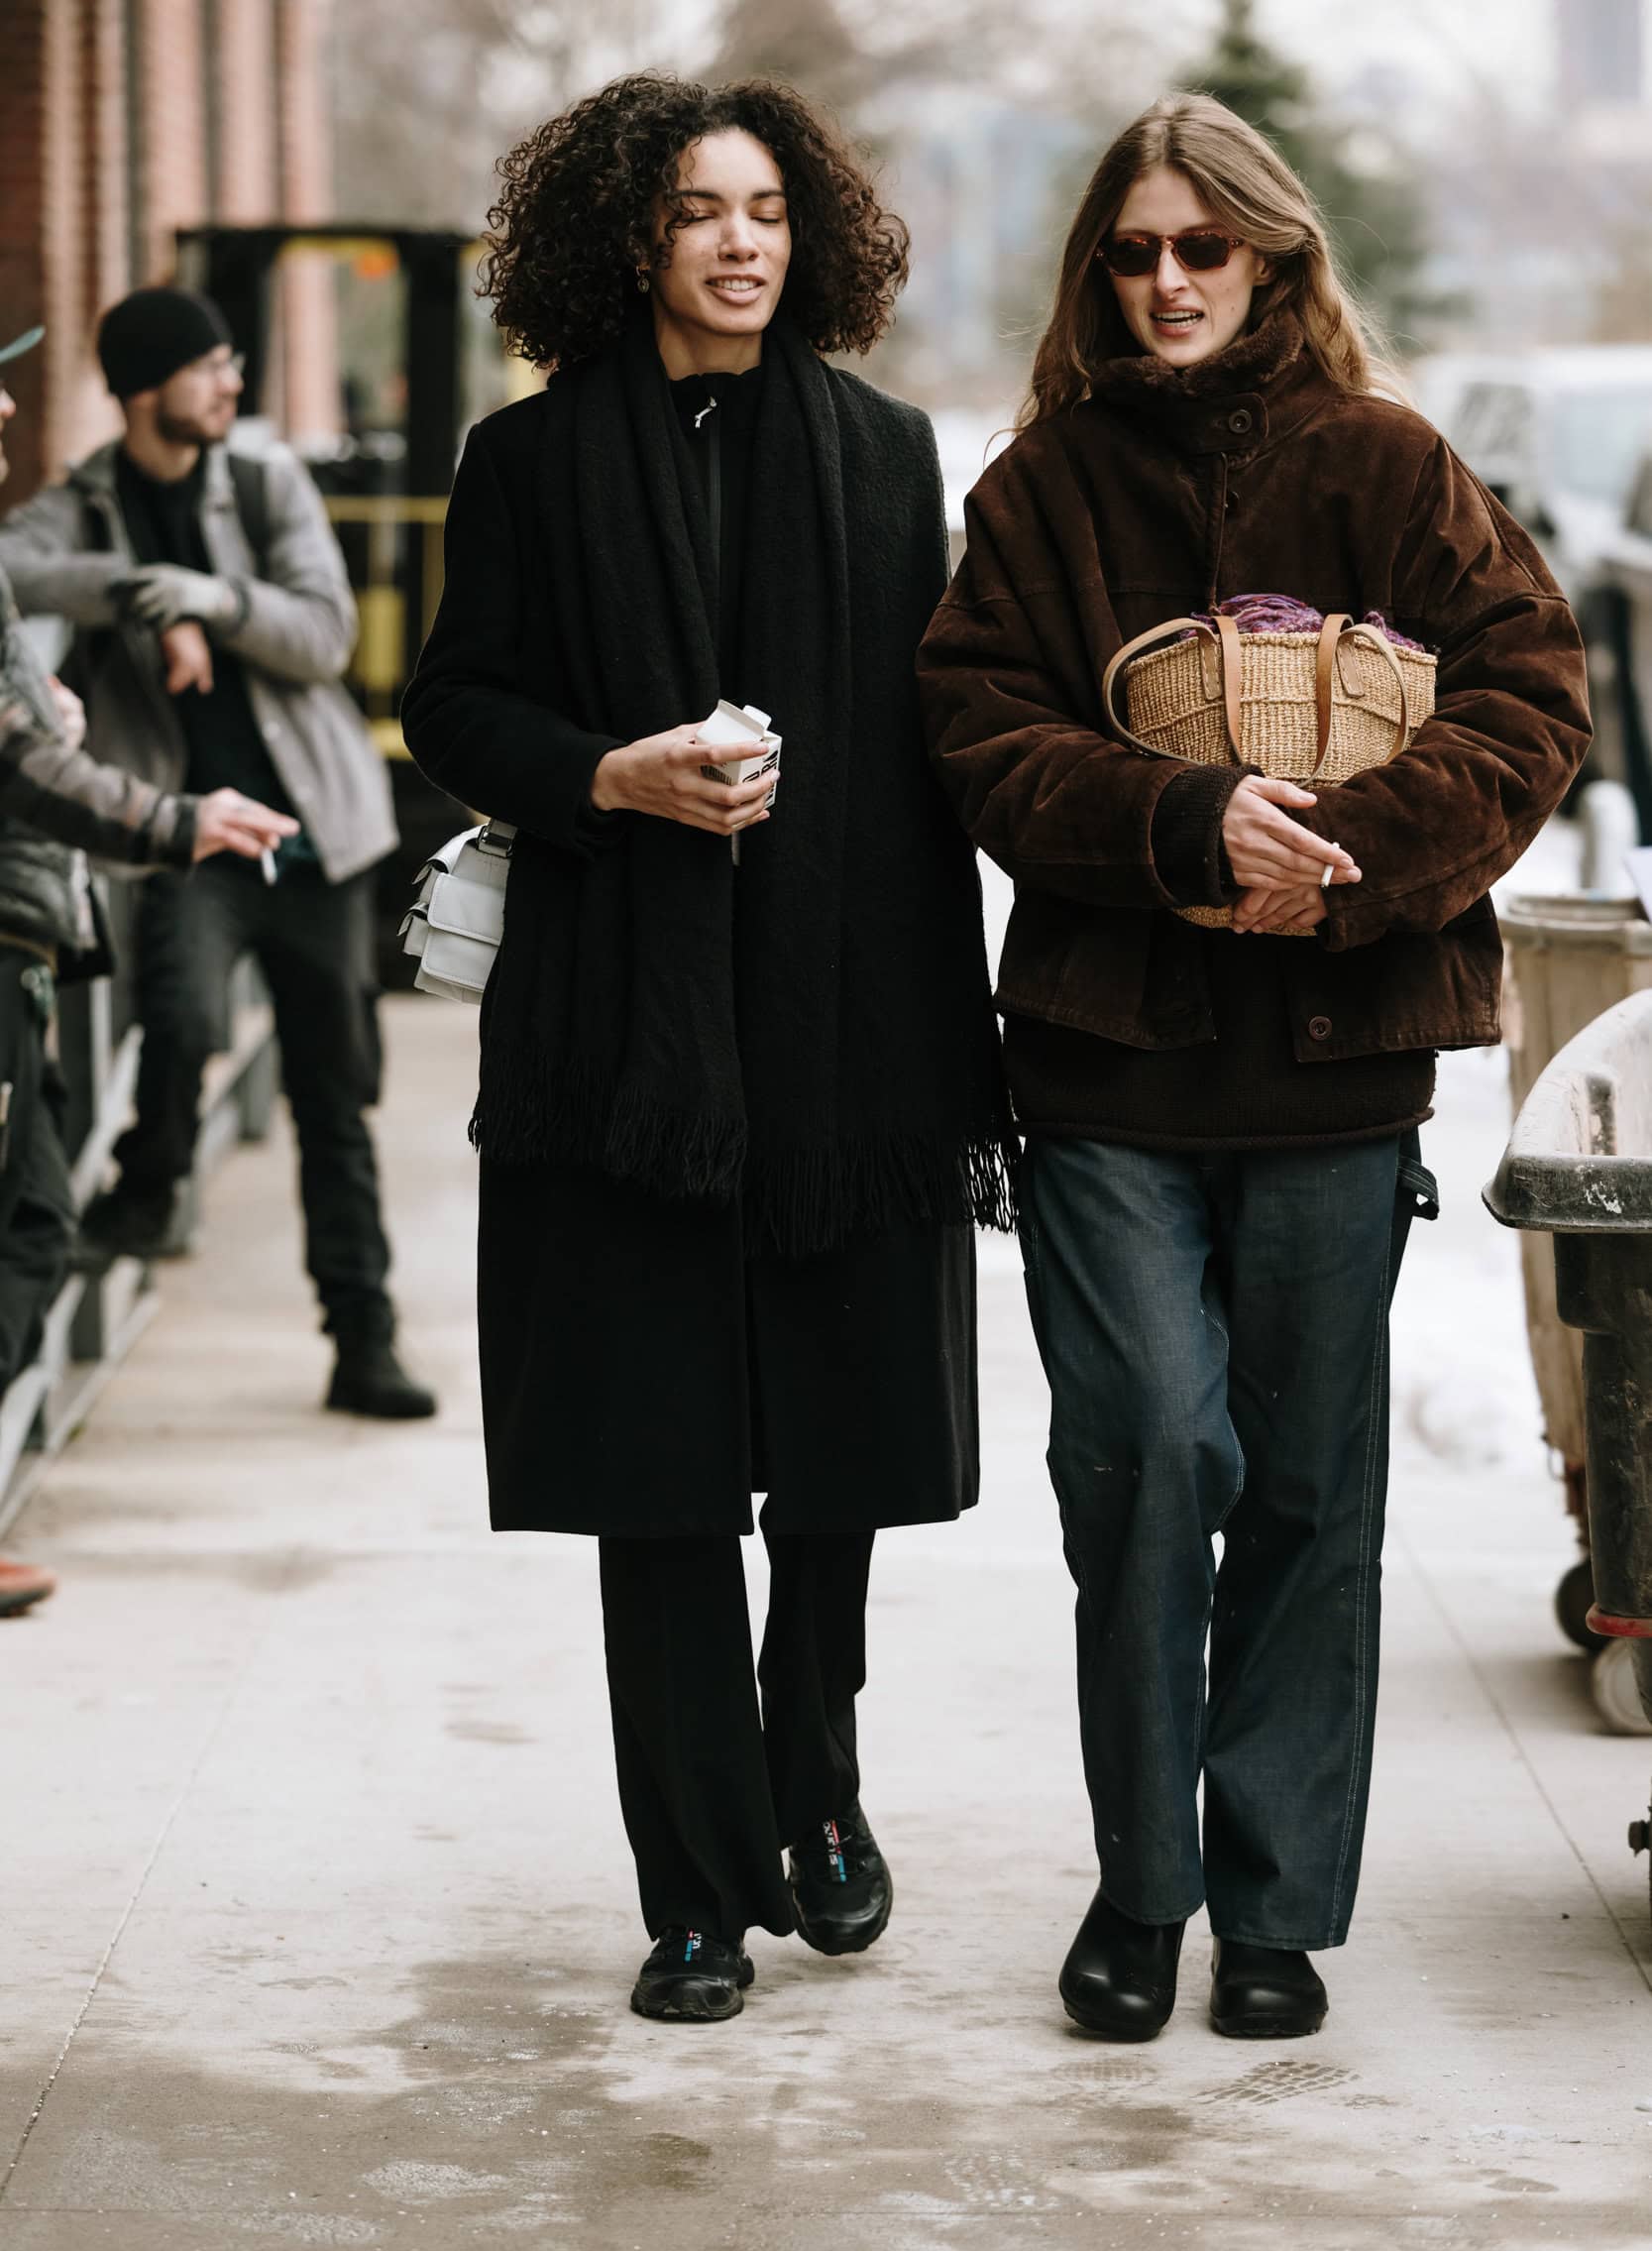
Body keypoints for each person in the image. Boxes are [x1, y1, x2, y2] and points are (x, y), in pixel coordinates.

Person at [918, 94, 1591, 2043]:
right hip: (1104, 1072)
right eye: (1130, 251)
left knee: (1304, 1488)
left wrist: (1354, 866)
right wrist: (1183, 816)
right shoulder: (1040, 490)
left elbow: (1529, 696)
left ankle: (1271, 1902)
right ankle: (1139, 1887)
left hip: (1331, 1072)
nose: (1162, 281)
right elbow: (973, 731)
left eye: (1197, 247)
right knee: (1140, 1452)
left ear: (1271, 256)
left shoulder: (1388, 465)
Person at [400, 74, 1013, 2023]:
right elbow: (455, 710)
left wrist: (953, 1062)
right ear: (625, 239)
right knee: (654, 1471)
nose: (737, 240)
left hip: (842, 1041)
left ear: (804, 235)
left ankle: (810, 1783)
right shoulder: (524, 461)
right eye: (693, 209)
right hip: (618, 1052)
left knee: (826, 1452)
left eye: (762, 208)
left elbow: (923, 774)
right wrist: (610, 775)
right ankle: (689, 1882)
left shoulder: (884, 450)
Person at [0, 287, 435, 1420]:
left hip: (310, 838)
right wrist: (141, 600)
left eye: (233, 362)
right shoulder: (87, 499)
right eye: (207, 368)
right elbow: (13, 569)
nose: (231, 384)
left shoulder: (262, 478)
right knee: (181, 1025)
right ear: (145, 387)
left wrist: (211, 597)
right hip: (190, 840)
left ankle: (363, 1339)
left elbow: (322, 633)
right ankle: (149, 1192)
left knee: (331, 1097)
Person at [0, 320, 294, 1613]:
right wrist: (179, 819)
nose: (5, 424)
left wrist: (159, 615)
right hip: (25, 911)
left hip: (37, 917)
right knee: (29, 1223)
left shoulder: (258, 483)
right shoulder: (67, 508)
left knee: (33, 1217)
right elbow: (19, 759)